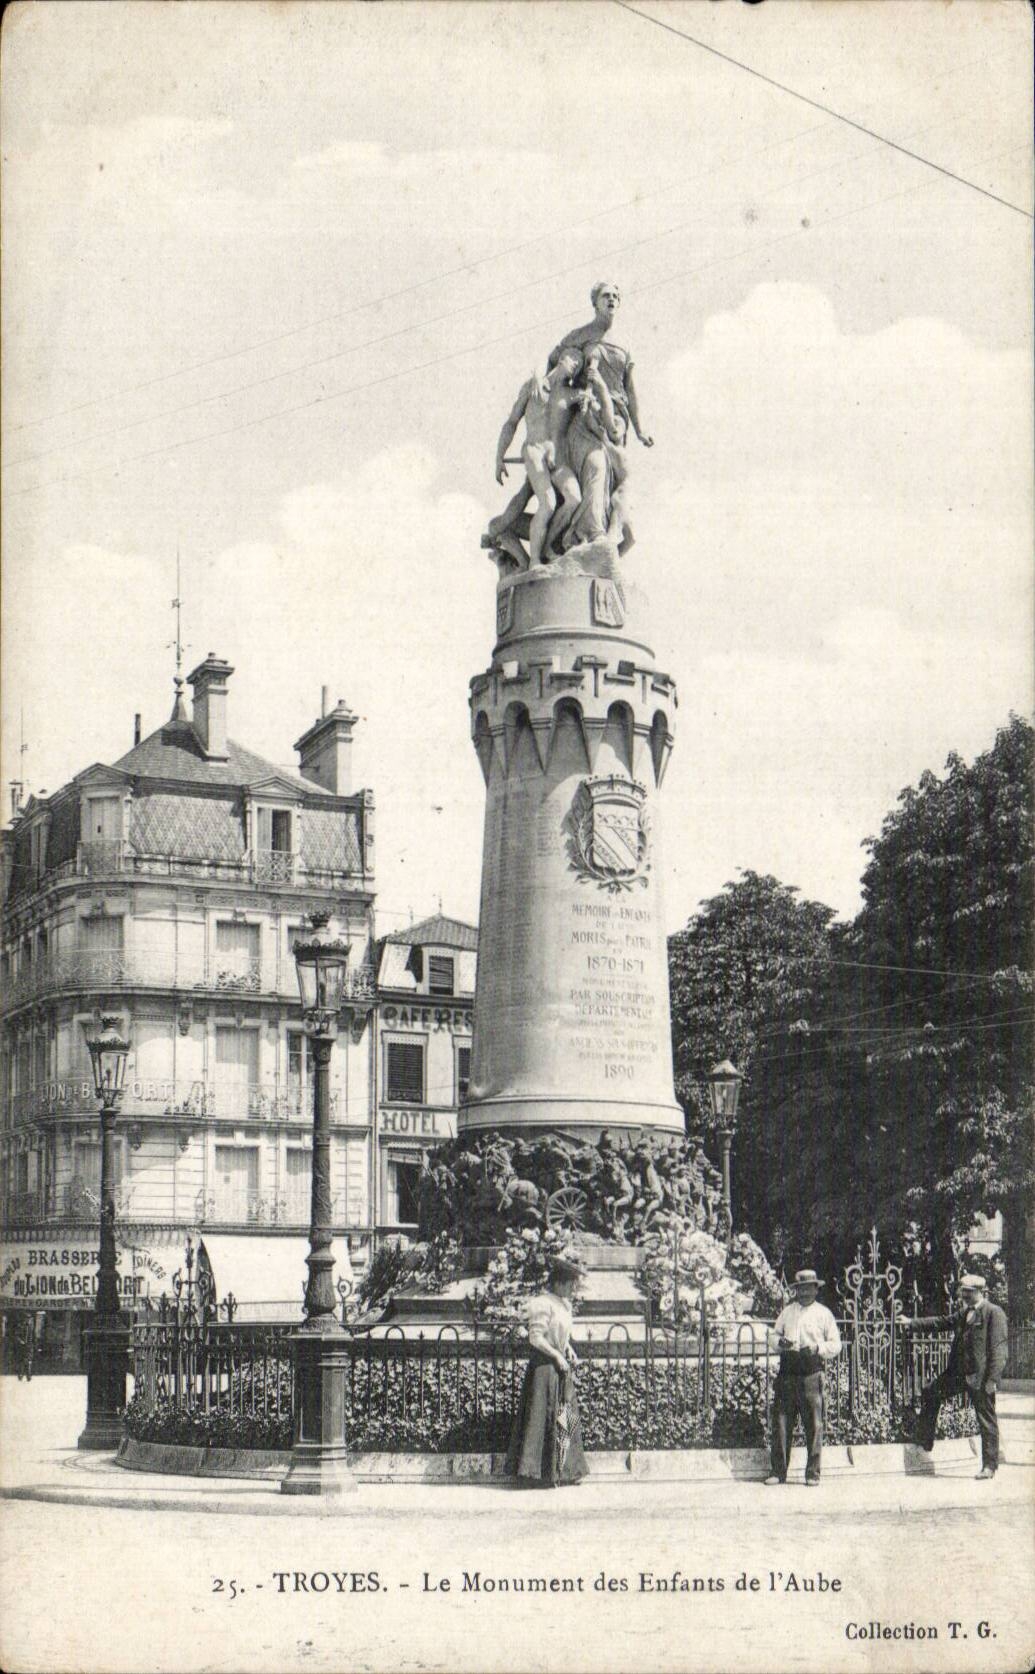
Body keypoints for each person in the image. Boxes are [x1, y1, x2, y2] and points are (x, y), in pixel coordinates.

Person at [900, 1273, 1009, 1479]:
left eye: (968, 1292)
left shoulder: (994, 1313)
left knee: (986, 1420)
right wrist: (911, 1323)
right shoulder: (965, 1313)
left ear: (979, 1292)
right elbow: (941, 1322)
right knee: (931, 1392)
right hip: (957, 1374)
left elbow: (999, 1351)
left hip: (980, 1378)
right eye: (963, 1292)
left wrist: (992, 1380)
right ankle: (925, 1441)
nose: (964, 1295)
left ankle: (989, 1466)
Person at [493, 347, 585, 565]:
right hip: (534, 449)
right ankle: (535, 561)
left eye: (579, 364)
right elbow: (511, 423)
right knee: (548, 504)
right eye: (575, 359)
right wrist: (499, 457)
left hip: (556, 457)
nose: (577, 365)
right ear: (562, 359)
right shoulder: (532, 386)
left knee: (574, 498)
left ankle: (547, 545)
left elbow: (593, 401)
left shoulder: (568, 394)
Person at [507, 1254, 588, 1487]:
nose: (574, 1289)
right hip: (544, 1368)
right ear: (559, 1283)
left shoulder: (564, 1304)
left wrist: (568, 1349)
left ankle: (567, 1470)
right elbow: (536, 1337)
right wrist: (555, 1355)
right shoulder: (542, 1303)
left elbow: (560, 1334)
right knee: (542, 1417)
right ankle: (538, 1473)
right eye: (571, 1284)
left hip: (560, 1365)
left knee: (566, 1416)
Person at [765, 1269, 842, 1486]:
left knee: (814, 1424)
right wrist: (780, 1343)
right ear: (795, 1291)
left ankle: (812, 1473)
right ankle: (778, 1472)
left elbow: (835, 1345)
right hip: (788, 1371)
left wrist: (817, 1347)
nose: (805, 1293)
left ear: (816, 1289)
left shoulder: (824, 1314)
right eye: (801, 1289)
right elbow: (773, 1335)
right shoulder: (787, 1312)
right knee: (781, 1422)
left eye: (809, 1288)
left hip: (811, 1372)